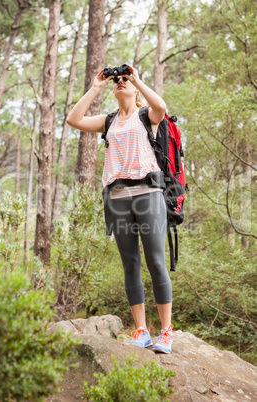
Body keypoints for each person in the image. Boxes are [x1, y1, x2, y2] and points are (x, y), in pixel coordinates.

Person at [67, 64, 174, 353]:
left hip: (148, 193)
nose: (121, 83)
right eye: (119, 81)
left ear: (136, 90)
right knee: (130, 263)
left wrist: (137, 79)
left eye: (125, 80)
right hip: (117, 196)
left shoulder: (146, 115)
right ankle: (141, 331)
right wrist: (97, 85)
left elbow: (161, 106)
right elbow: (73, 119)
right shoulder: (109, 120)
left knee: (155, 260)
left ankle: (166, 332)